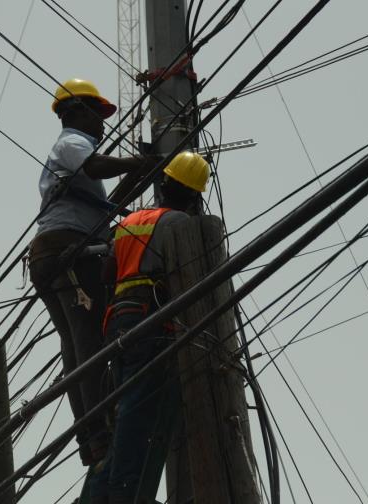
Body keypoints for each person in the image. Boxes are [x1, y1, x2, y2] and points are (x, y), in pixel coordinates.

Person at [29, 78, 153, 467]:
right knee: (89, 341)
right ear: (77, 112)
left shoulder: (74, 158)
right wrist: (136, 162)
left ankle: (91, 435)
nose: (102, 124)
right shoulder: (71, 143)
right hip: (67, 251)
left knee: (76, 344)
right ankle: (97, 431)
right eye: (98, 115)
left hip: (56, 253)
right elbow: (98, 166)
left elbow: (108, 202)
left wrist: (143, 170)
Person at [92, 152, 210, 504]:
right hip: (149, 317)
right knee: (136, 409)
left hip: (118, 318)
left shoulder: (130, 221)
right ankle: (122, 490)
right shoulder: (179, 223)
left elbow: (107, 273)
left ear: (164, 185)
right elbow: (189, 275)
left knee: (126, 407)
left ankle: (106, 486)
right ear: (194, 196)